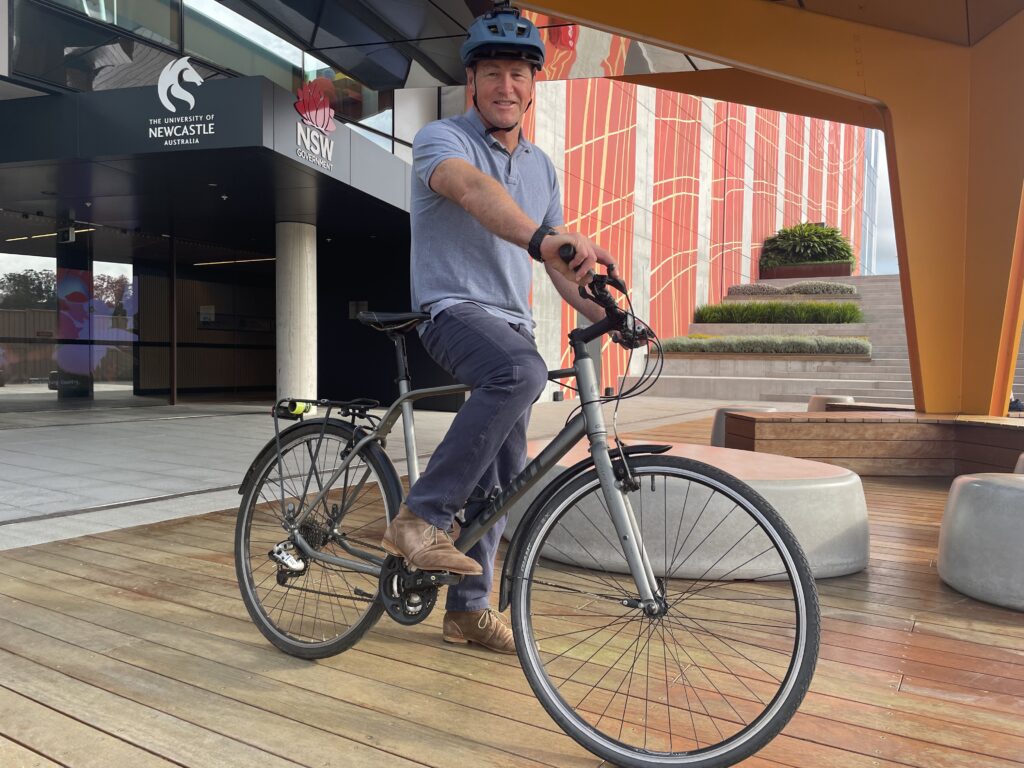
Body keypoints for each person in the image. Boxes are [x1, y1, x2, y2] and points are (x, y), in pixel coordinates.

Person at [381, 3, 620, 654]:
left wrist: (613, 315)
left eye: (518, 73)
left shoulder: (542, 167)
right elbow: (472, 192)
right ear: (472, 82)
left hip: (508, 320)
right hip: (450, 309)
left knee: (506, 472)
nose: (505, 86)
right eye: (493, 72)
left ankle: (466, 610)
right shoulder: (443, 140)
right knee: (522, 371)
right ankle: (419, 517)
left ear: (534, 84)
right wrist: (545, 237)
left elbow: (560, 267)